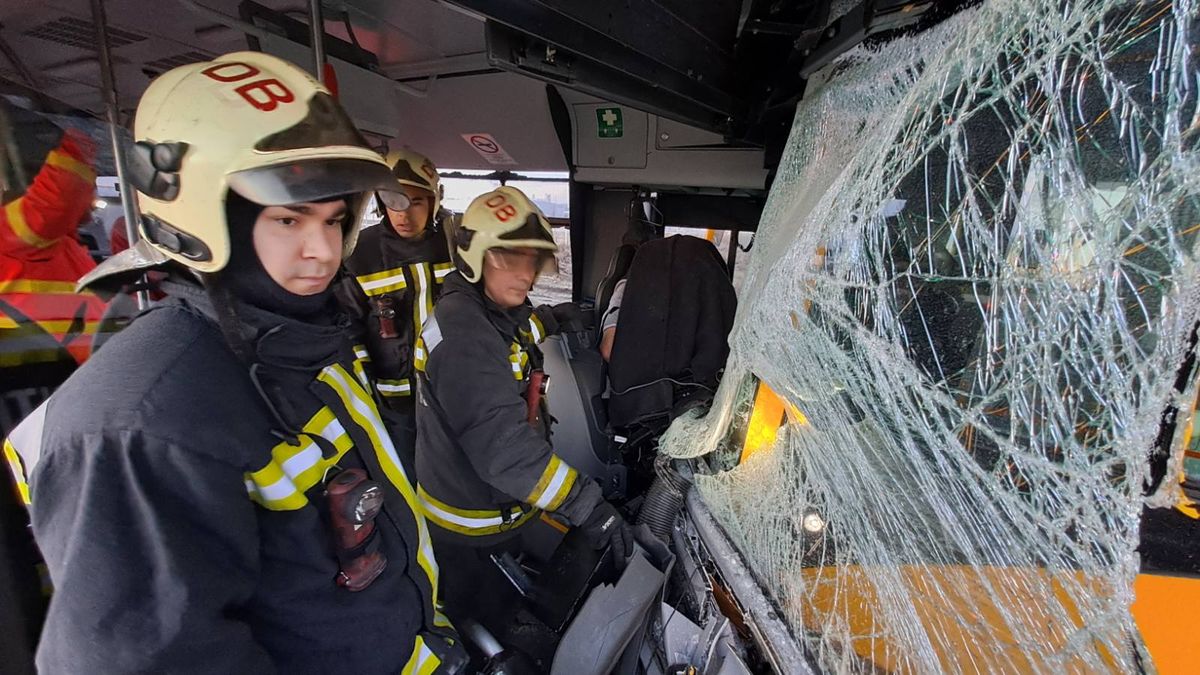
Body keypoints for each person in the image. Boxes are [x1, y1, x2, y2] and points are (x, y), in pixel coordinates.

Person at [5, 52, 463, 673]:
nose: (322, 252)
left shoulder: (300, 341)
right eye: (288, 219)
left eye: (334, 220)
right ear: (203, 219)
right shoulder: (142, 419)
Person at [413, 186, 633, 648]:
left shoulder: (491, 312)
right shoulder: (462, 334)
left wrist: (554, 319)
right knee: (493, 640)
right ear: (476, 257)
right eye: (510, 259)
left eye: (532, 260)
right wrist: (587, 505)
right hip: (470, 532)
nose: (526, 274)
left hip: (503, 514)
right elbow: (506, 452)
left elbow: (519, 330)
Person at [338, 148, 453, 469]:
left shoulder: (457, 246)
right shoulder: (360, 255)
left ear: (434, 202)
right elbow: (349, 332)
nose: (404, 213)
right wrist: (367, 396)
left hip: (452, 395)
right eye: (393, 201)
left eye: (415, 202)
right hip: (392, 404)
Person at [0, 119, 108, 437]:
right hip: (41, 381)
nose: (92, 190)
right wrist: (82, 133)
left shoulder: (65, 244)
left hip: (74, 378)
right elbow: (59, 197)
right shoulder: (10, 232)